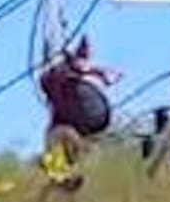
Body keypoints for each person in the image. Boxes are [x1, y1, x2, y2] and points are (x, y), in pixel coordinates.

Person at [38, 36, 120, 190]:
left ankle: (61, 171)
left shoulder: (61, 81)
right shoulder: (62, 84)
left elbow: (82, 68)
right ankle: (62, 171)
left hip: (86, 122)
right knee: (59, 135)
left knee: (57, 134)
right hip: (89, 124)